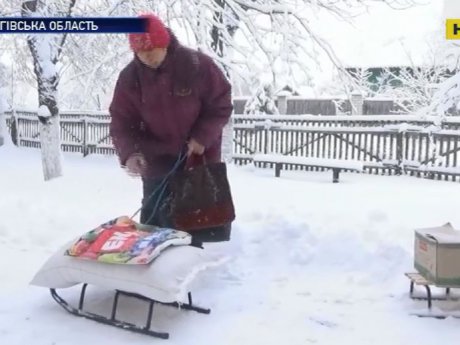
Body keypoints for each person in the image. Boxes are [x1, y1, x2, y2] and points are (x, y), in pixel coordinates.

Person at [109, 13, 233, 231]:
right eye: (141, 53)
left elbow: (220, 104)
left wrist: (202, 136)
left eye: (151, 51)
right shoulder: (130, 78)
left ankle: (199, 260)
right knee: (155, 228)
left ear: (164, 43)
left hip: (197, 158)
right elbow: (121, 121)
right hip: (156, 161)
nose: (147, 57)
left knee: (200, 225)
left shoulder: (197, 65)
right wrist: (130, 153)